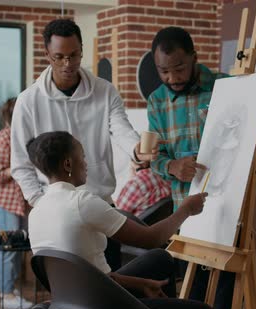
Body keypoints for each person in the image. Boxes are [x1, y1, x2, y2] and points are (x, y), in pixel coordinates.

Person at [147, 27, 256, 309]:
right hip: (187, 218)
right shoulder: (157, 101)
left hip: (229, 214)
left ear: (194, 58)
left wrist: (236, 155)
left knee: (227, 301)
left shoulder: (228, 87)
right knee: (191, 300)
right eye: (163, 71)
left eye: (178, 68)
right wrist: (172, 166)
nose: (171, 78)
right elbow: (155, 158)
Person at [27, 131, 214, 309]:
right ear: (67, 164)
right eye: (82, 156)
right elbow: (152, 238)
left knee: (160, 259)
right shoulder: (82, 203)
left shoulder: (36, 213)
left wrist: (141, 284)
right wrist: (187, 209)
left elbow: (88, 276)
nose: (86, 163)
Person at [10, 19, 158, 272]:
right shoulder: (28, 101)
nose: (67, 64)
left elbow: (121, 129)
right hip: (56, 213)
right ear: (47, 55)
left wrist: (137, 149)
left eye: (74, 55)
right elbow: (21, 165)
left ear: (81, 50)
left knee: (111, 288)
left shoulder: (105, 91)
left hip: (100, 205)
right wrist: (41, 202)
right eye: (59, 57)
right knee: (70, 292)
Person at [0, 98, 32, 309]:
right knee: (8, 248)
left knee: (16, 247)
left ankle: (11, 291)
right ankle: (6, 296)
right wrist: (18, 167)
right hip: (4, 203)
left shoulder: (18, 138)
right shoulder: (2, 139)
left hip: (17, 202)